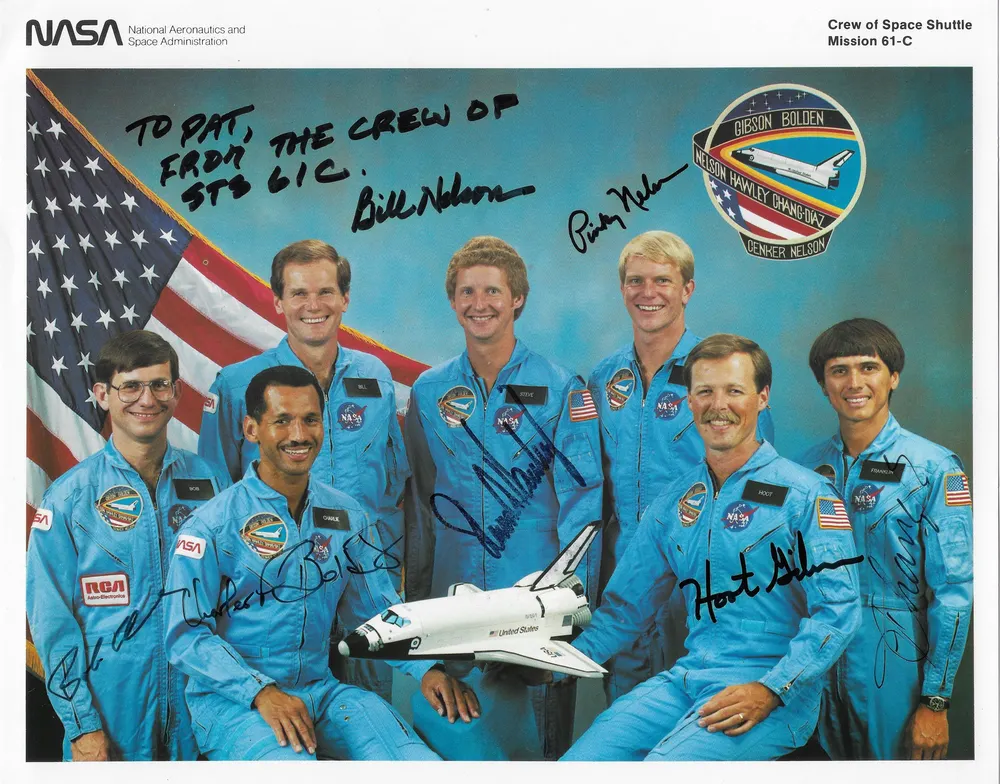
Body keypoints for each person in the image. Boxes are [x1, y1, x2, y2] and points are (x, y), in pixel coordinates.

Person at [562, 334, 861, 761]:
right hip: (690, 676)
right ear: (689, 402)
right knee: (578, 765)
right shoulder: (673, 502)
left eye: (734, 391)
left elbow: (838, 611)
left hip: (772, 688)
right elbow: (625, 610)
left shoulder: (806, 496)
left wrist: (773, 688)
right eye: (705, 392)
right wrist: (560, 664)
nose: (718, 406)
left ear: (762, 398)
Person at [165, 366, 477, 761]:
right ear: (251, 429)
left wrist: (427, 669)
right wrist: (260, 691)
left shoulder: (346, 515)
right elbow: (186, 635)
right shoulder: (211, 526)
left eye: (310, 419)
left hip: (320, 691)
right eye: (282, 420)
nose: (299, 434)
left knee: (413, 763)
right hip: (236, 704)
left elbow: (376, 608)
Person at [404, 236, 603, 759]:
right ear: (453, 301)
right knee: (456, 749)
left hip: (533, 610)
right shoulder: (429, 391)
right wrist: (417, 609)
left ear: (518, 298)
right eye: (467, 291)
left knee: (538, 753)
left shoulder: (562, 388)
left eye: (493, 290)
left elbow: (584, 507)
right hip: (453, 610)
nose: (480, 303)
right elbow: (419, 509)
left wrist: (569, 612)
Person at [197, 239, 406, 701]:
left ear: (345, 298)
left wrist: (388, 578)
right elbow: (213, 502)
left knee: (366, 719)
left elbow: (392, 489)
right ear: (277, 301)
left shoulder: (374, 378)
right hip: (271, 603)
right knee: (283, 730)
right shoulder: (237, 384)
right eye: (298, 294)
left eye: (326, 291)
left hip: (362, 592)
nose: (314, 305)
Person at [588, 231, 774, 701]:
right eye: (636, 281)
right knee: (628, 717)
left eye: (663, 281)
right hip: (625, 580)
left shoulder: (723, 373)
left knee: (703, 718)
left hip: (703, 580)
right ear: (622, 289)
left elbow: (760, 489)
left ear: (687, 289)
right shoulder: (604, 378)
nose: (647, 293)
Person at [27, 330, 229, 760]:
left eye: (159, 385)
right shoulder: (69, 499)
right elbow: (52, 622)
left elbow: (239, 598)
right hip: (109, 716)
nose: (147, 399)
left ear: (176, 392)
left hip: (204, 710)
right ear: (103, 395)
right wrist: (82, 725)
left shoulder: (213, 485)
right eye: (130, 386)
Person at [797, 318, 972, 760]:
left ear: (893, 377)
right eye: (839, 370)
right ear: (823, 385)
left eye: (868, 367)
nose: (854, 382)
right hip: (815, 658)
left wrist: (936, 699)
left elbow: (955, 591)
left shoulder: (934, 468)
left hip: (894, 655)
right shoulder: (804, 471)